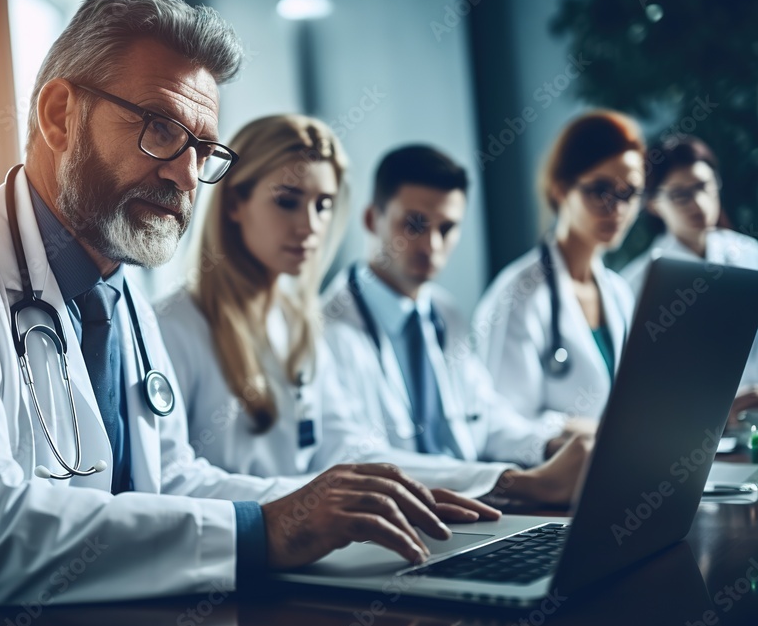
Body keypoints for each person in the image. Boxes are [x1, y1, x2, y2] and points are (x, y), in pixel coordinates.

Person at [0, 0, 493, 626]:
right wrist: (270, 528)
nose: (183, 173)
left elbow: (172, 483)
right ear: (58, 114)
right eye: (162, 128)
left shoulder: (119, 292)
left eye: (202, 148)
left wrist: (339, 504)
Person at [155, 116, 584, 503]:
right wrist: (517, 482)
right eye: (287, 200)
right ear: (233, 203)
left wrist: (508, 478)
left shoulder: (297, 326)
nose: (310, 226)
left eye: (322, 204)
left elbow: (351, 452)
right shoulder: (172, 327)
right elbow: (171, 484)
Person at [322, 144, 592, 494]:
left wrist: (554, 443)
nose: (432, 245)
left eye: (447, 228)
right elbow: (354, 456)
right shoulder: (327, 329)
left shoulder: (445, 314)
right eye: (415, 224)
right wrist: (513, 483)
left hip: (472, 510)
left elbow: (485, 420)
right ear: (373, 220)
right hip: (393, 523)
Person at [472, 110, 644, 430]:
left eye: (628, 193)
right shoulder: (518, 294)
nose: (617, 208)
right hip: (551, 475)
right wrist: (569, 430)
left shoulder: (618, 291)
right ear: (560, 189)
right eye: (600, 190)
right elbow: (497, 427)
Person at [621, 136, 758, 419]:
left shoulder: (751, 255)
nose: (697, 203)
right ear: (654, 204)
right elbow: (640, 388)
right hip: (686, 432)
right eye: (680, 195)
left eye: (702, 187)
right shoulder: (633, 285)